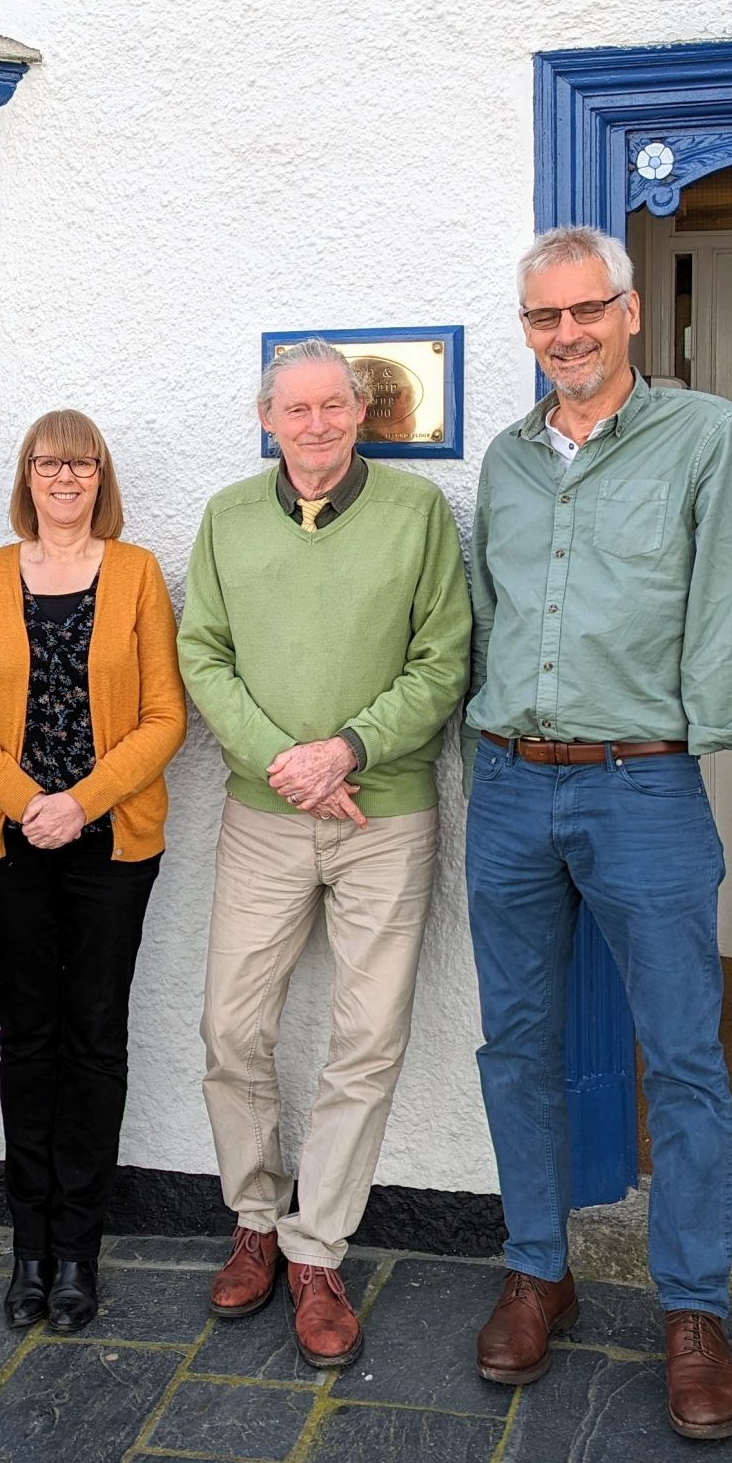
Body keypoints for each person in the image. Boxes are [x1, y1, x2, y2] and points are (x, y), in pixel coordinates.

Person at [464, 226, 732, 1442]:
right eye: (544, 317)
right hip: (509, 786)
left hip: (641, 785)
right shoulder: (505, 460)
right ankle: (536, 1270)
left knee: (685, 1056)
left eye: (585, 310)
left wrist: (717, 731)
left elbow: (729, 597)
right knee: (516, 1045)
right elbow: (489, 617)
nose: (567, 335)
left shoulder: (702, 435)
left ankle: (693, 1309)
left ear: (630, 311)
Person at [178, 339, 471, 1368]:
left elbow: (443, 659)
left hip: (384, 817)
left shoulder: (416, 514)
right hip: (264, 815)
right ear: (268, 418)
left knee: (367, 1037)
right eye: (295, 409)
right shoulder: (226, 517)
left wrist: (346, 750)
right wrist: (286, 763)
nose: (315, 425)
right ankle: (254, 1219)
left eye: (332, 406)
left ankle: (316, 1250)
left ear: (360, 412)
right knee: (231, 1025)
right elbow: (202, 654)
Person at [0, 410, 187, 1334]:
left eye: (82, 464)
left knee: (95, 1036)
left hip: (110, 842)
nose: (66, 478)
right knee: (28, 1037)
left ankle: (79, 1249)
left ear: (101, 477)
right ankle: (29, 1247)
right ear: (28, 477)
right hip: (8, 845)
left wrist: (79, 801)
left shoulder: (137, 573)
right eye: (49, 463)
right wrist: (22, 800)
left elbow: (165, 716)